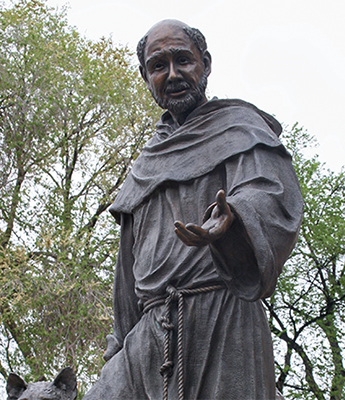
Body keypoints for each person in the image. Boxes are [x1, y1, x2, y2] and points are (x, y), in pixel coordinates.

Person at [83, 19, 303, 400]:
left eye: (182, 60)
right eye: (158, 66)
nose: (172, 74)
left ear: (205, 64)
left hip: (224, 318)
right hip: (150, 332)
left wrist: (234, 220)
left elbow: (268, 193)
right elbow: (127, 268)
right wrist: (119, 345)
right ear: (145, 75)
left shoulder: (241, 128)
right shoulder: (145, 164)